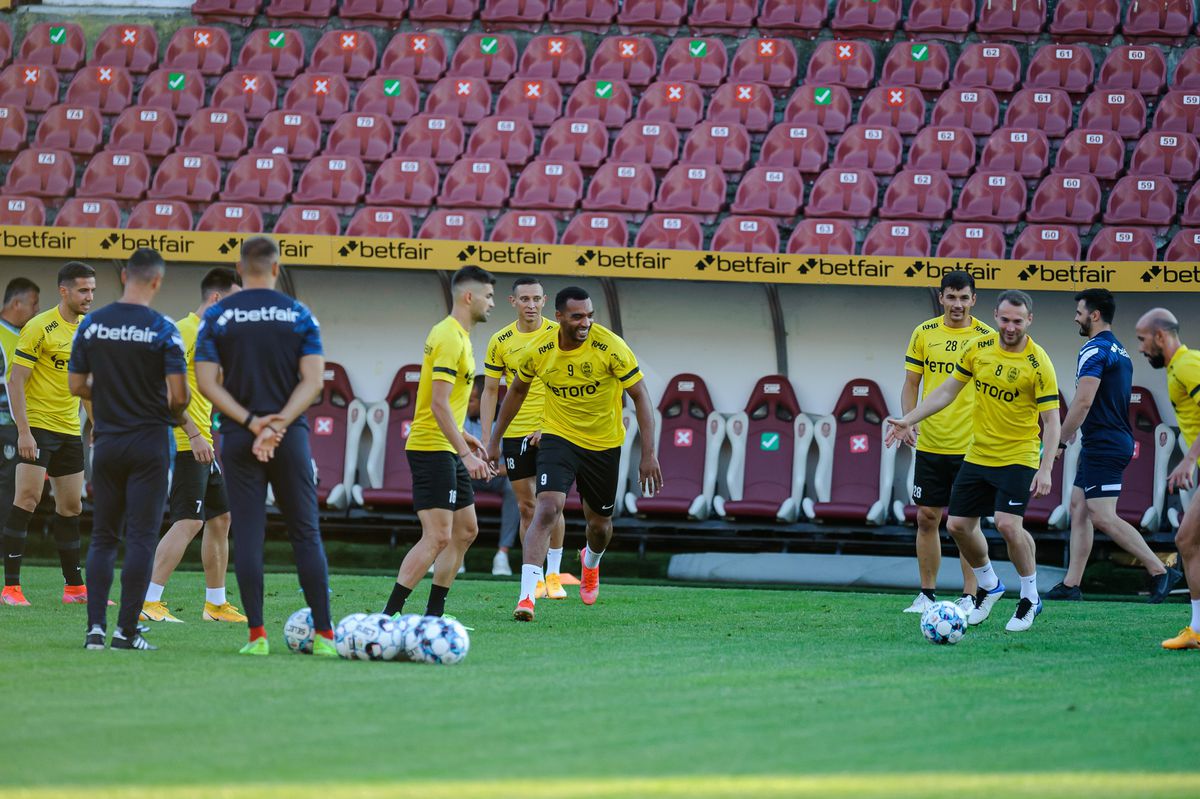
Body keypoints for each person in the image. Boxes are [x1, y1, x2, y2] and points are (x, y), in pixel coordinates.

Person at [886, 290, 1060, 633]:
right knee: (957, 526)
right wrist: (910, 418)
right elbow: (947, 391)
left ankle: (1029, 597)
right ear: (996, 316)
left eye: (1018, 321)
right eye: (1005, 319)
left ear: (1029, 321)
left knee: (1008, 525)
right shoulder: (978, 349)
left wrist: (1047, 467)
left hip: (1018, 454)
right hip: (979, 452)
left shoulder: (1038, 362)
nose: (1010, 327)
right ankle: (991, 585)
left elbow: (1052, 421)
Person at [194, 236, 335, 657]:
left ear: (239, 269)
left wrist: (254, 424)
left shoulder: (217, 316)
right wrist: (278, 425)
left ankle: (257, 637)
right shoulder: (299, 314)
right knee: (306, 533)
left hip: (239, 437)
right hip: (290, 437)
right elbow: (313, 382)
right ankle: (326, 636)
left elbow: (206, 383)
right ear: (276, 269)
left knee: (250, 536)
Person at [488, 286, 662, 622]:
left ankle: (590, 562)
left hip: (603, 444)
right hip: (558, 436)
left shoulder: (610, 346)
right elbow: (517, 392)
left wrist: (648, 454)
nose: (586, 323)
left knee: (600, 526)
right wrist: (495, 439)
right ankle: (527, 596)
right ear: (559, 317)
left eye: (590, 316)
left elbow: (641, 397)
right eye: (577, 316)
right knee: (547, 507)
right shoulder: (540, 350)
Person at [69, 248, 188, 651]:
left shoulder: (93, 325)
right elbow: (179, 397)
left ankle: (95, 632)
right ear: (156, 281)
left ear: (123, 277)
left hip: (108, 441)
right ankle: (126, 632)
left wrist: (110, 397)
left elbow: (75, 386)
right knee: (140, 538)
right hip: (150, 442)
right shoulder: (163, 328)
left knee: (103, 536)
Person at [1049, 290, 1180, 603]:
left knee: (1103, 516)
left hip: (1105, 443)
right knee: (1079, 509)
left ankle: (1161, 570)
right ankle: (1071, 584)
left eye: (1079, 312)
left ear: (1094, 315)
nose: (1076, 317)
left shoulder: (1093, 349)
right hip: (1105, 441)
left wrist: (1061, 441)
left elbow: (1082, 402)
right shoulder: (1118, 349)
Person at [381, 266, 495, 620]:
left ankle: (434, 617)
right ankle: (388, 617)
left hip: (446, 444)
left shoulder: (459, 336)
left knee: (466, 531)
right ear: (469, 296)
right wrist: (466, 456)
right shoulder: (449, 337)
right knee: (437, 536)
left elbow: (439, 403)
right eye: (489, 296)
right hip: (433, 448)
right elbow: (437, 404)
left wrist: (463, 436)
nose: (492, 303)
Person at [140, 268, 247, 625]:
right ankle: (148, 600)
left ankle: (215, 604)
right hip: (184, 441)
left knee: (221, 519)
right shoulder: (183, 331)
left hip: (203, 441)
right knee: (188, 521)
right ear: (215, 299)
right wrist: (193, 433)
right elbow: (160, 389)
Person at [1, 262, 95, 607]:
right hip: (37, 428)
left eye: (93, 290)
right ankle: (11, 588)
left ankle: (74, 589)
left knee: (71, 507)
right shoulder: (39, 327)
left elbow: (86, 387)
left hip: (70, 429)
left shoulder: (88, 330)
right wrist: (23, 432)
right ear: (65, 291)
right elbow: (16, 382)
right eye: (83, 290)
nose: (89, 297)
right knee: (26, 500)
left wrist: (95, 425)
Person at [900, 270, 992, 616]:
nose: (957, 304)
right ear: (941, 298)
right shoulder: (923, 333)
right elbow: (911, 383)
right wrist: (909, 420)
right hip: (931, 442)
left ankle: (970, 596)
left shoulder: (987, 337)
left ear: (973, 300)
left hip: (972, 446)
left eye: (963, 297)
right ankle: (927, 594)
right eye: (950, 297)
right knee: (927, 517)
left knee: (966, 523)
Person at [479, 277, 567, 598]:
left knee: (552, 504)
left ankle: (555, 575)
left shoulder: (558, 336)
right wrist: (489, 438)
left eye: (536, 299)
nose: (531, 305)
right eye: (524, 299)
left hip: (554, 430)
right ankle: (536, 575)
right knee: (527, 506)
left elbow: (565, 386)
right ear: (512, 302)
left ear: (545, 301)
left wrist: (551, 424)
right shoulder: (500, 340)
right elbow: (490, 391)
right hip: (515, 433)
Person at [1133, 308, 1200, 649]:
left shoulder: (1187, 365)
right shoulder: (1177, 369)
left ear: (1160, 337)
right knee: (1187, 541)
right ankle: (1197, 630)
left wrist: (1188, 460)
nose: (1141, 348)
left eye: (1142, 340)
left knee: (1187, 541)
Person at [464, 376, 520, 564]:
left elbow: (517, 465)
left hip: (499, 476)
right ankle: (455, 551)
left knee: (516, 487)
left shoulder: (507, 422)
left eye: (471, 400)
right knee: (454, 481)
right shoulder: (463, 420)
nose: (466, 404)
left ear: (485, 402)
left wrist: (496, 470)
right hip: (471, 475)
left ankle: (502, 554)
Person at [0, 279, 40, 535]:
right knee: (7, 487)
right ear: (16, 303)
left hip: (14, 426)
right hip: (7, 426)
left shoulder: (22, 335)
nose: (37, 310)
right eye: (33, 303)